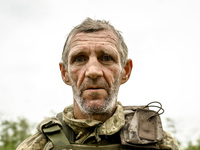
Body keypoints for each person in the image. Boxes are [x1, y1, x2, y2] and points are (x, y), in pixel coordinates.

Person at [17, 18, 180, 150]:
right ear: (65, 73)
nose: (93, 71)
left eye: (107, 58)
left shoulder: (160, 144)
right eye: (79, 59)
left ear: (126, 71)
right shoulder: (36, 146)